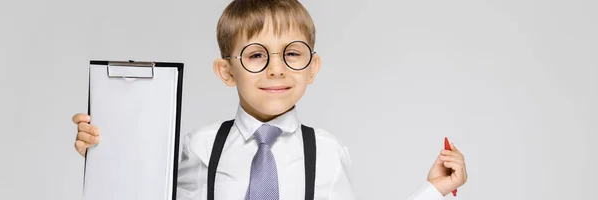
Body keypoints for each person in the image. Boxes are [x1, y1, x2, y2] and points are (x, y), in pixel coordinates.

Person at [71, 0, 467, 199]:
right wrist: (105, 149)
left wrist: (432, 190)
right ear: (226, 71)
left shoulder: (328, 153)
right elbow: (136, 189)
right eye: (257, 55)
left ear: (312, 68)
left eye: (292, 53)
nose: (276, 69)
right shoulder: (197, 146)